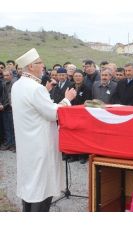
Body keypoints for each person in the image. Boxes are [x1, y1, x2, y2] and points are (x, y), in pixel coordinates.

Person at [11, 48, 76, 212]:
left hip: (27, 145)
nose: (43, 66)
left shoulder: (18, 85)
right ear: (31, 67)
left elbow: (33, 106)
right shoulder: (35, 88)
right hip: (41, 145)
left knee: (29, 186)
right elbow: (53, 113)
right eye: (40, 63)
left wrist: (44, 92)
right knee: (42, 188)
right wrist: (67, 100)